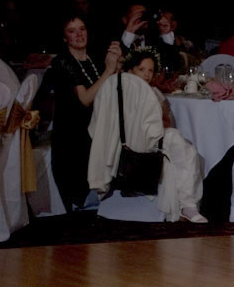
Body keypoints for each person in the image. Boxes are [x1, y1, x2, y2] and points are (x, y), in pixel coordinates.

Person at [44, 14, 122, 209]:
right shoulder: (63, 62)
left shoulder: (94, 59)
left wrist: (117, 66)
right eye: (72, 31)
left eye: (82, 29)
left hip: (96, 129)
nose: (79, 34)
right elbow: (86, 99)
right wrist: (109, 70)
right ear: (64, 38)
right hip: (73, 137)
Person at [121, 48, 207, 223]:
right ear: (130, 71)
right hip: (133, 140)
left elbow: (166, 121)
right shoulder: (123, 91)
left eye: (150, 71)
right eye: (141, 69)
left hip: (158, 136)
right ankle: (187, 204)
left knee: (185, 148)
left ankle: (187, 205)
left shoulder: (154, 92)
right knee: (177, 141)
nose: (146, 75)